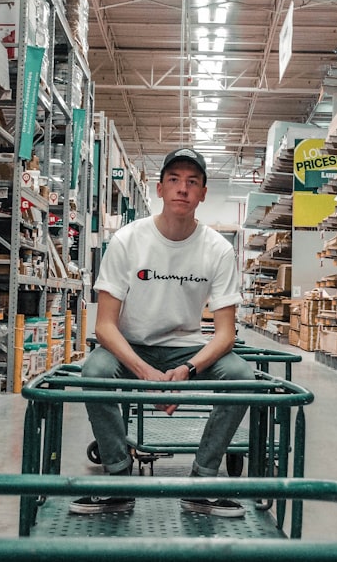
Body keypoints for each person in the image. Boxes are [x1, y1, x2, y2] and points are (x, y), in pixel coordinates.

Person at [69, 148, 254, 518]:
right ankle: (118, 481)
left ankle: (202, 483)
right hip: (130, 346)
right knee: (94, 373)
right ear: (159, 188)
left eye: (192, 182)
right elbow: (104, 326)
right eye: (173, 180)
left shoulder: (217, 250)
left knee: (242, 377)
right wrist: (145, 374)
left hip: (185, 349)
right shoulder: (127, 240)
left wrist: (187, 370)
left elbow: (225, 334)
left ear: (203, 193)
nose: (182, 189)